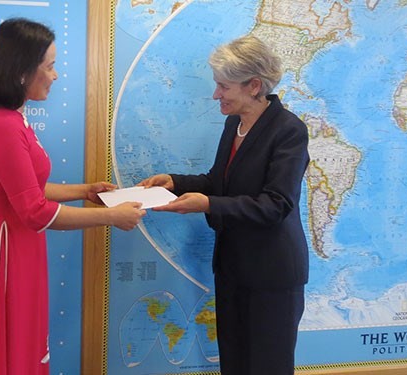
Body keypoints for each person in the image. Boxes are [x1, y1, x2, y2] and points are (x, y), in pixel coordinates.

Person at [0, 18, 146, 375]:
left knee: (23, 348)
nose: (55, 76)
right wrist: (111, 217)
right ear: (22, 72)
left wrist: (85, 191)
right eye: (50, 67)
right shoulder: (3, 127)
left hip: (18, 249)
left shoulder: (11, 117)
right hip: (4, 258)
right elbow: (35, 212)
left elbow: (26, 189)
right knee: (5, 354)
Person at [138, 35, 309, 374]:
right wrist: (175, 183)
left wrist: (208, 204)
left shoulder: (288, 130)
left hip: (271, 273)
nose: (216, 94)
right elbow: (220, 182)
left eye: (224, 86)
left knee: (266, 366)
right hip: (232, 267)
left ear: (254, 85)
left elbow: (276, 204)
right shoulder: (235, 123)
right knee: (233, 362)